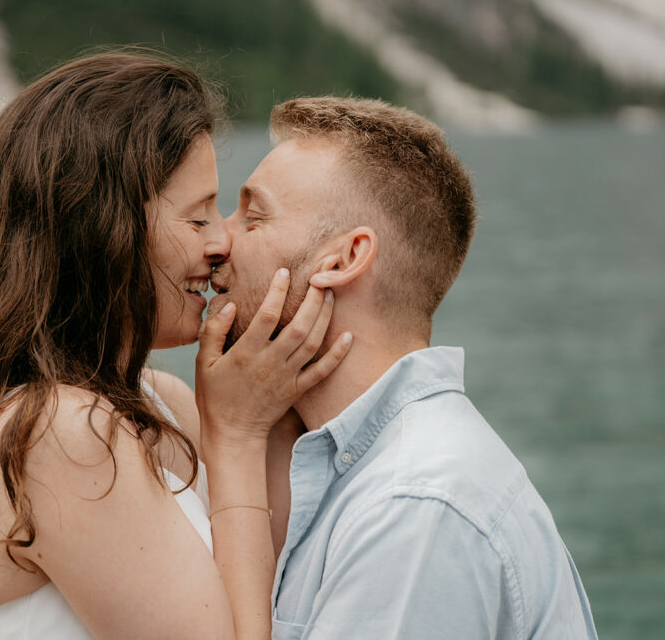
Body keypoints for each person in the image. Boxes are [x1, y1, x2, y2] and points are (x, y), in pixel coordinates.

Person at [0, 52, 351, 640]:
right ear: (102, 232)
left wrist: (267, 401)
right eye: (197, 220)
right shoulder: (61, 433)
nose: (223, 239)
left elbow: (277, 586)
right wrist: (241, 435)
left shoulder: (160, 400)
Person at [207, 96, 599, 639]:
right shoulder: (355, 470)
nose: (217, 239)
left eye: (252, 216)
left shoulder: (413, 508)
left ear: (343, 260)